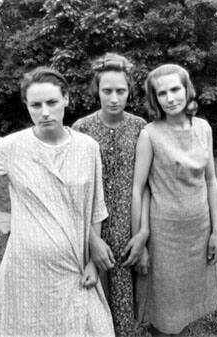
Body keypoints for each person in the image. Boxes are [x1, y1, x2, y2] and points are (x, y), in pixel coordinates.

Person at [0, 66, 114, 337]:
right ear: (26, 106)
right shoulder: (11, 146)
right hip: (26, 268)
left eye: (52, 102)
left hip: (75, 265)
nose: (45, 112)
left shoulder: (88, 147)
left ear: (66, 99)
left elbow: (96, 206)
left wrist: (93, 263)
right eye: (36, 105)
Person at [131, 64, 217, 336]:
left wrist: (216, 231)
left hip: (199, 232)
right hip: (164, 237)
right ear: (154, 98)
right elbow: (138, 188)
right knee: (162, 315)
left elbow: (211, 180)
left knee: (187, 309)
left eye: (175, 89)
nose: (170, 98)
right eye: (162, 93)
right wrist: (141, 242)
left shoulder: (204, 128)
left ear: (187, 89)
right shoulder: (150, 134)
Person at [72, 52, 149, 337]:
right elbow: (75, 191)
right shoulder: (81, 129)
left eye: (121, 90)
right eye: (107, 91)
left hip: (129, 230)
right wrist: (91, 240)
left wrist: (143, 235)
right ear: (97, 91)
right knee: (91, 306)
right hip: (92, 229)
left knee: (124, 307)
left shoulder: (141, 127)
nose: (114, 98)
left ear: (130, 91)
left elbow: (147, 186)